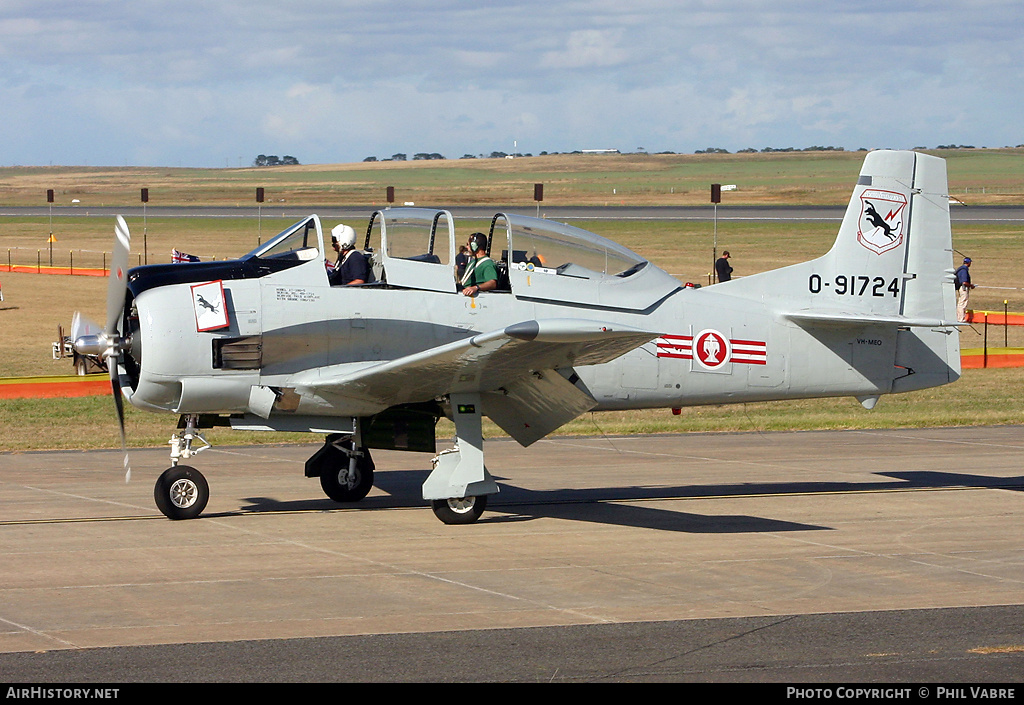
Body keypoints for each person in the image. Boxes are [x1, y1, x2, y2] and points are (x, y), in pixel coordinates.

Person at [459, 232, 498, 296]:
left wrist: (475, 288)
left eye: (468, 244)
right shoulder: (472, 262)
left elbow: (492, 283)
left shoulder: (487, 264)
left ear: (474, 246)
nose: (467, 247)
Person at [955, 256, 974, 322]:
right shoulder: (964, 270)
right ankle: (961, 319)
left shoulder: (960, 269)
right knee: (962, 303)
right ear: (968, 263)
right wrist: (971, 286)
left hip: (961, 288)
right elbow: (964, 282)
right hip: (964, 288)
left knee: (961, 302)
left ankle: (959, 317)